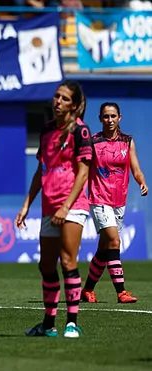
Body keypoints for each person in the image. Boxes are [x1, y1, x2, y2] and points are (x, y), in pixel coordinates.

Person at [15, 80, 92, 339]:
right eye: (56, 96)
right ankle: (48, 324)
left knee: (68, 261)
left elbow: (83, 172)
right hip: (50, 205)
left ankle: (72, 322)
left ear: (75, 104)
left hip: (72, 205)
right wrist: (26, 204)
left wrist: (67, 206)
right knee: (46, 265)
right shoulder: (47, 130)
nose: (57, 101)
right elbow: (41, 170)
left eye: (64, 98)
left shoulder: (80, 132)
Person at [82, 102, 147, 304]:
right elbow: (83, 171)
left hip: (119, 200)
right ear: (100, 119)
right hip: (99, 198)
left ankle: (87, 290)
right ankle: (121, 292)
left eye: (113, 116)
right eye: (105, 116)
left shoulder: (128, 141)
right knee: (114, 241)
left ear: (120, 117)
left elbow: (134, 167)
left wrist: (141, 181)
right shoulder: (93, 142)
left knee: (104, 249)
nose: (109, 120)